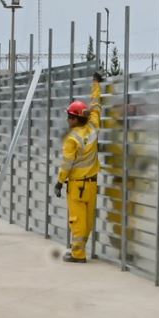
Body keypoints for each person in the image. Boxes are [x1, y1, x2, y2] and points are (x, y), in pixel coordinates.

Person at [57, 97, 100, 262]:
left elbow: (67, 164)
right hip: (92, 185)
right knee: (88, 221)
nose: (68, 120)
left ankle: (78, 254)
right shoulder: (94, 128)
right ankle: (79, 249)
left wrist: (59, 182)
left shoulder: (72, 138)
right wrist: (97, 85)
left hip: (77, 186)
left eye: (69, 117)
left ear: (75, 119)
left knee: (77, 221)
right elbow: (96, 109)